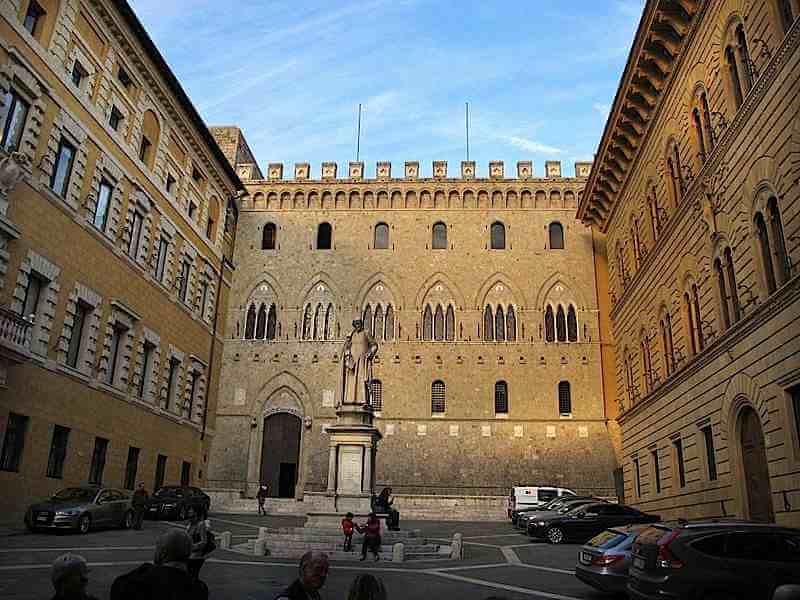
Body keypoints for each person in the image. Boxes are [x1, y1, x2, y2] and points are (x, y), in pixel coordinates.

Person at [110, 529, 208, 600]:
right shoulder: (199, 590)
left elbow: (118, 588)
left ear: (163, 553)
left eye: (157, 547)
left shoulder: (136, 581)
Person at [186, 509, 209, 581]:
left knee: (192, 576)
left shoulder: (200, 525)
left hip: (196, 556)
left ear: (197, 516)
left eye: (192, 516)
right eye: (189, 516)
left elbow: (204, 541)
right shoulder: (190, 525)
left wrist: (193, 547)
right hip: (189, 555)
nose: (190, 518)